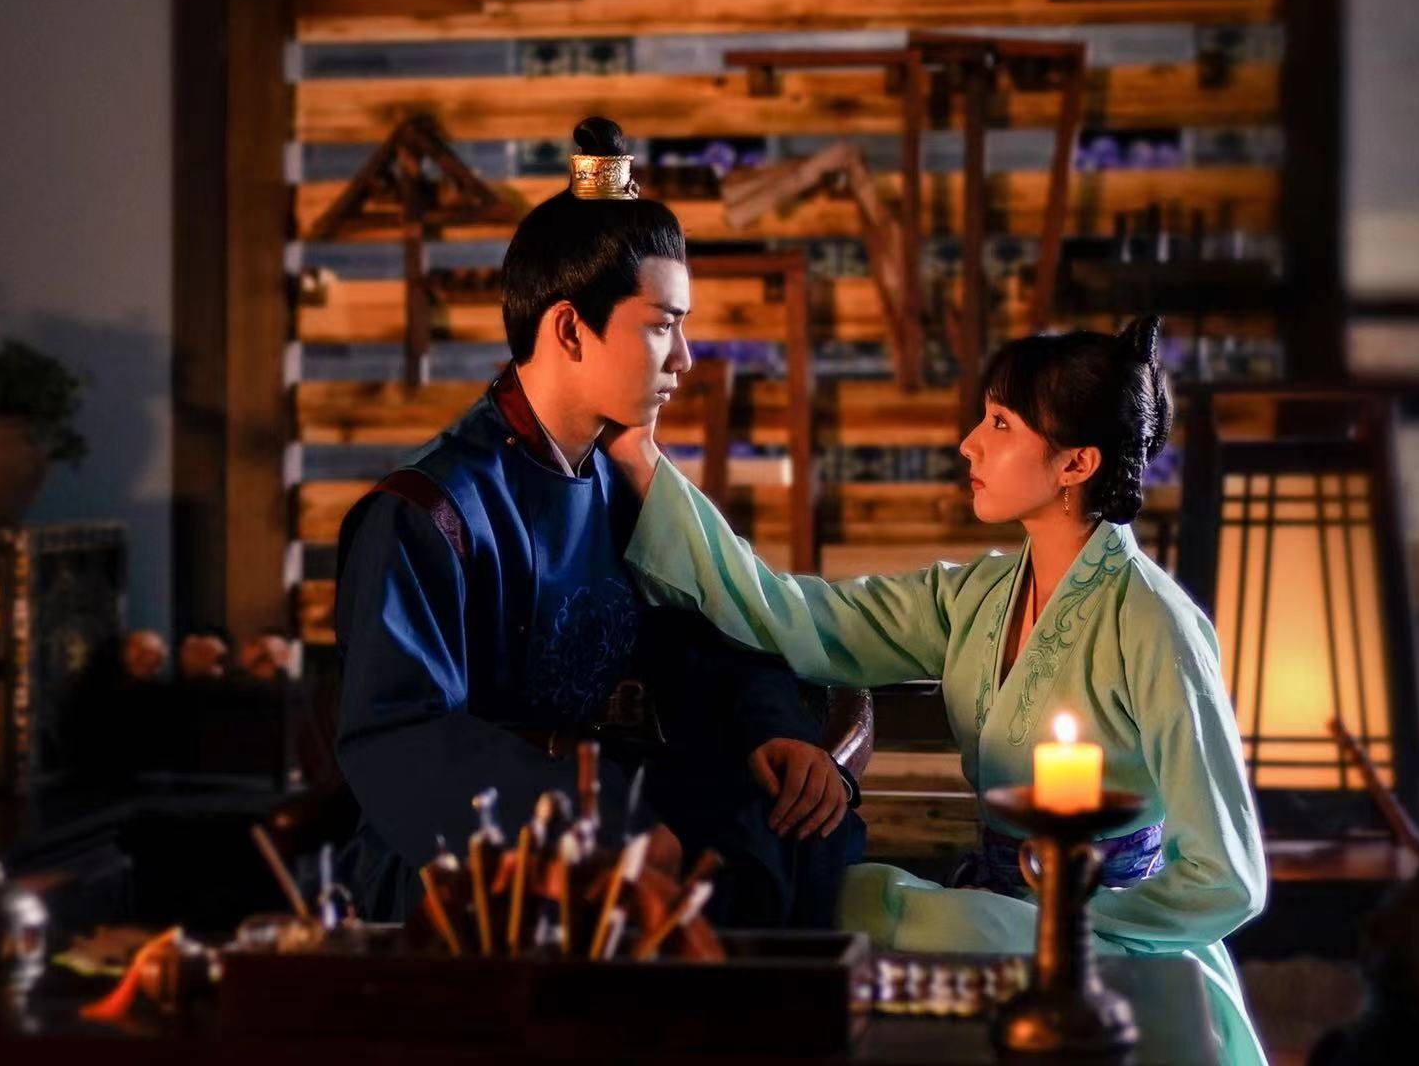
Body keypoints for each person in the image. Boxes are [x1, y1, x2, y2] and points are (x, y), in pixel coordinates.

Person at [603, 318, 1269, 1065]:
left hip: (1115, 946)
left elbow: (1228, 880)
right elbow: (793, 614)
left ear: (1076, 463)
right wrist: (641, 463)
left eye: (1000, 424)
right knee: (841, 899)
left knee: (888, 917)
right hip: (998, 912)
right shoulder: (977, 597)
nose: (969, 444)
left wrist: (1070, 922)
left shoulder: (1155, 624)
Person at [333, 117, 864, 927]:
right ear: (570, 329)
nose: (685, 358)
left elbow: (708, 640)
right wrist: (596, 828)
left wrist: (776, 730)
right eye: (662, 325)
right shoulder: (426, 512)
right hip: (487, 855)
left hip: (623, 798)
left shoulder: (616, 481)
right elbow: (401, 735)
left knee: (792, 826)